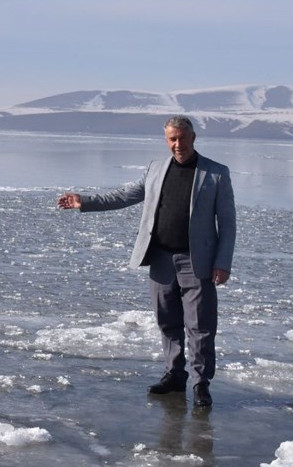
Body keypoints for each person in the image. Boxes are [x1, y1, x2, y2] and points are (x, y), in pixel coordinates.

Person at [58, 116, 235, 408]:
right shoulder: (156, 169)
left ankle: (201, 383)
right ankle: (174, 375)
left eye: (182, 138)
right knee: (167, 322)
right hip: (160, 258)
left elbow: (227, 223)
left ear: (193, 137)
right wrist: (85, 201)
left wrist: (223, 262)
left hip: (197, 261)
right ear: (166, 140)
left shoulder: (215, 173)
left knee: (201, 326)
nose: (177, 144)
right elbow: (125, 196)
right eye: (172, 139)